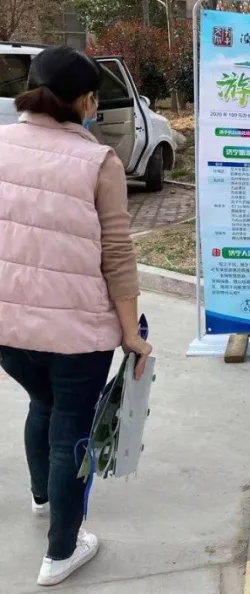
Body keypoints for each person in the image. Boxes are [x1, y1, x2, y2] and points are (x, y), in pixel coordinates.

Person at [0, 46, 152, 587]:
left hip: (8, 331)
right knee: (70, 430)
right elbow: (117, 254)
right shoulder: (98, 161)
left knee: (41, 402)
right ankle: (61, 552)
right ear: (84, 101)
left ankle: (43, 498)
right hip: (77, 334)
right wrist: (131, 333)